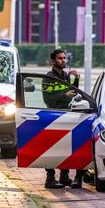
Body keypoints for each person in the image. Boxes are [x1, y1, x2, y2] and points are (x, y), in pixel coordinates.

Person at [42, 49, 84, 189]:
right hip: (53, 115)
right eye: (60, 58)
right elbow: (47, 98)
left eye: (64, 58)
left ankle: (64, 177)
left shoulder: (66, 76)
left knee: (65, 147)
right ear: (53, 61)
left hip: (66, 115)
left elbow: (74, 92)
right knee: (52, 148)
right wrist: (64, 96)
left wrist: (76, 79)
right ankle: (50, 178)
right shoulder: (48, 78)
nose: (63, 60)